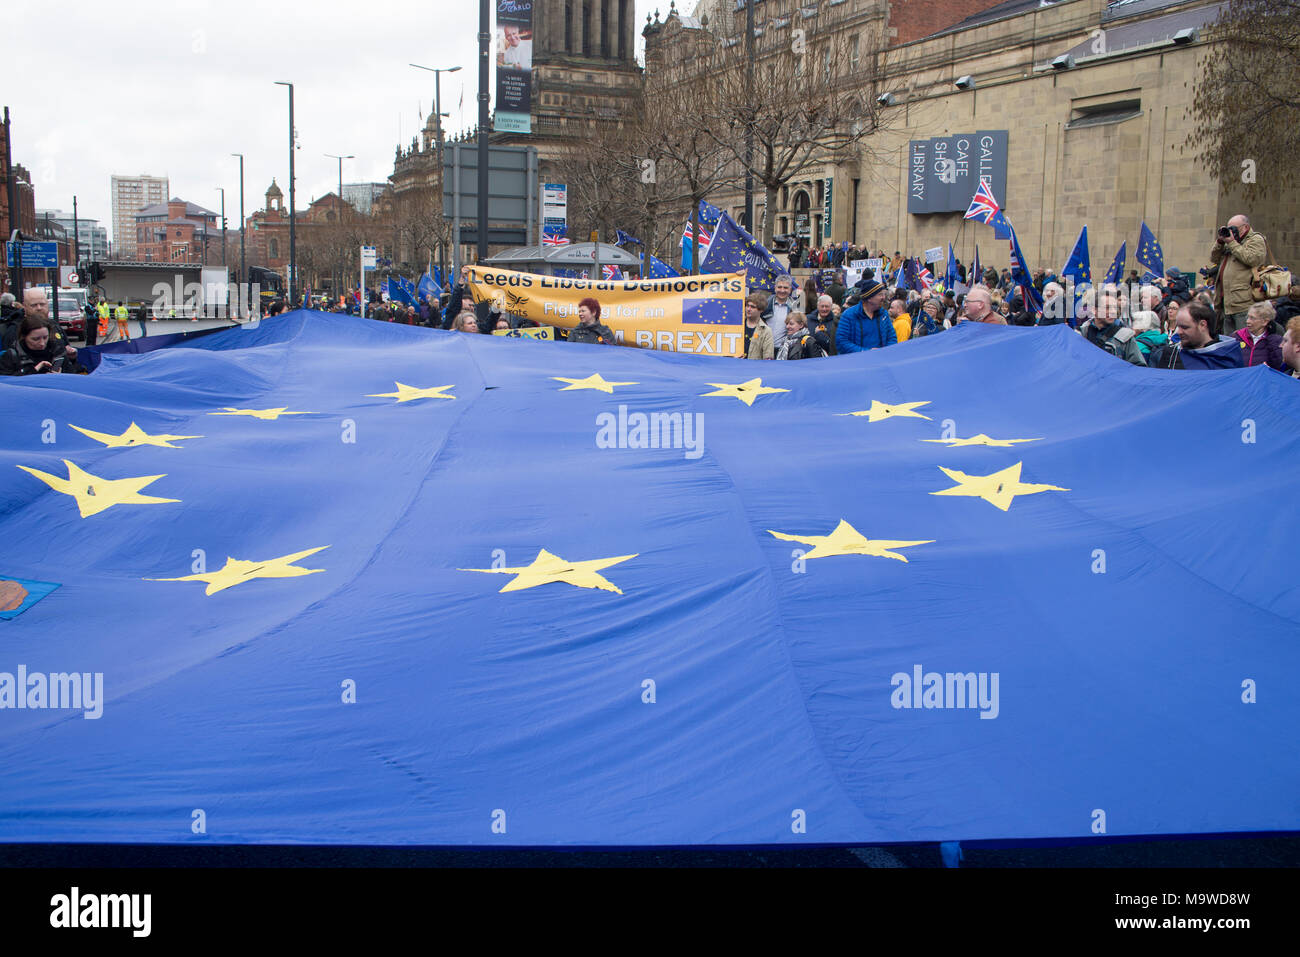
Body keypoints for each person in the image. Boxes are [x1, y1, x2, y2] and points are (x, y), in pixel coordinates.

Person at [1209, 214, 1268, 334]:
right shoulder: (1230, 242)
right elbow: (1214, 259)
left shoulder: (1255, 239)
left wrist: (1232, 243)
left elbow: (1253, 259)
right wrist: (1220, 242)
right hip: (1226, 303)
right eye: (1228, 228)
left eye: (1233, 228)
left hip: (1244, 303)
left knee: (1243, 341)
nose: (1230, 232)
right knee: (1229, 342)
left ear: (1245, 227)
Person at [1148, 301, 1245, 370]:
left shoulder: (1227, 356)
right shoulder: (1171, 354)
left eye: (1185, 327)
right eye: (1179, 326)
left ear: (1202, 325)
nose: (1179, 332)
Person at [1083, 288, 1146, 365]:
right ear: (1094, 310)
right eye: (1107, 307)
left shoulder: (1125, 337)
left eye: (1115, 307)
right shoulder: (1083, 332)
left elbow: (1139, 367)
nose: (1113, 311)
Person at [0, 314, 71, 375]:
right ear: (24, 337)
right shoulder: (11, 356)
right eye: (35, 339)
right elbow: (7, 381)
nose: (42, 343)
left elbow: (72, 373)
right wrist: (34, 370)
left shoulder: (57, 350)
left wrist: (61, 375)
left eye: (45, 337)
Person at [836, 280, 896, 352]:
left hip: (881, 360)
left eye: (884, 294)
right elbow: (841, 342)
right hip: (857, 361)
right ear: (869, 298)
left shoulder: (883, 314)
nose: (883, 298)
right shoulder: (849, 315)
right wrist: (865, 352)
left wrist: (885, 351)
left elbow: (892, 338)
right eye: (880, 294)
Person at [1233, 301, 1285, 369]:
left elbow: (1278, 365)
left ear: (1265, 322)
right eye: (1247, 317)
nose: (1247, 321)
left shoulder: (1275, 341)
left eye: (1252, 318)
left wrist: (1273, 343)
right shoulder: (1236, 337)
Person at [761, 277, 797, 349]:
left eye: (785, 288)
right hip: (763, 348)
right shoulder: (764, 305)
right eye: (779, 287)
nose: (782, 290)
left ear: (790, 290)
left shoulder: (795, 308)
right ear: (775, 288)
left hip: (784, 349)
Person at [744, 294, 774, 359]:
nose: (748, 309)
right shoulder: (738, 326)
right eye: (747, 306)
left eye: (752, 307)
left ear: (761, 310)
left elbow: (768, 356)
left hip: (754, 367)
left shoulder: (766, 331)